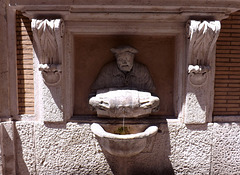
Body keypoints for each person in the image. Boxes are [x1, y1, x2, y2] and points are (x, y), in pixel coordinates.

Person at [91, 45, 156, 95]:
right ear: (116, 60)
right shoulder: (108, 70)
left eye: (127, 60)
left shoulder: (142, 71)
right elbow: (94, 93)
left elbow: (152, 93)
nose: (124, 63)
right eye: (121, 60)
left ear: (132, 60)